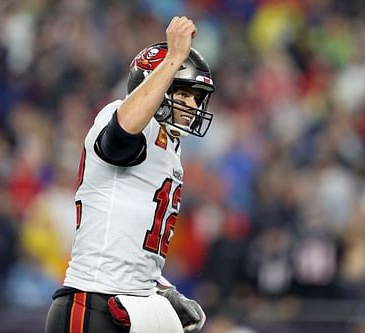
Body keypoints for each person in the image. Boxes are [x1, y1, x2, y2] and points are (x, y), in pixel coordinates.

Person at [45, 16, 215, 333]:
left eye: (196, 97)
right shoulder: (120, 115)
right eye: (183, 93)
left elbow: (129, 241)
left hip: (130, 308)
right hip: (92, 301)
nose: (192, 105)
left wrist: (161, 288)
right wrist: (175, 57)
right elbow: (120, 138)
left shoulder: (170, 150)